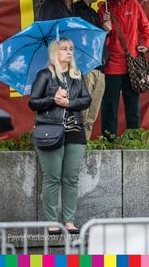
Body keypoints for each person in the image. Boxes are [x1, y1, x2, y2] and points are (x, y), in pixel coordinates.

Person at [28, 38, 91, 234]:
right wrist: (53, 99)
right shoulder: (45, 75)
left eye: (71, 49)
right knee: (52, 178)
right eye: (64, 49)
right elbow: (33, 102)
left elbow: (86, 99)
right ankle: (52, 222)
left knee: (71, 178)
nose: (69, 52)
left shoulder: (77, 75)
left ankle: (69, 221)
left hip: (74, 131)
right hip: (50, 131)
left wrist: (69, 103)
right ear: (55, 52)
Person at [97, 0, 149, 140]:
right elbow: (99, 42)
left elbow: (145, 27)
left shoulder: (133, 4)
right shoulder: (103, 10)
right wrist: (104, 29)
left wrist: (147, 45)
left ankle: (133, 140)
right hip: (111, 66)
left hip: (132, 66)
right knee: (109, 108)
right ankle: (108, 141)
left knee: (133, 108)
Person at [73, 0, 110, 139]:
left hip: (99, 68)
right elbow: (84, 40)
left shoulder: (93, 12)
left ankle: (85, 146)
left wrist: (104, 29)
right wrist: (103, 30)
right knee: (82, 114)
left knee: (91, 117)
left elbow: (98, 42)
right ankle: (76, 147)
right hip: (85, 68)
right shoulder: (74, 11)